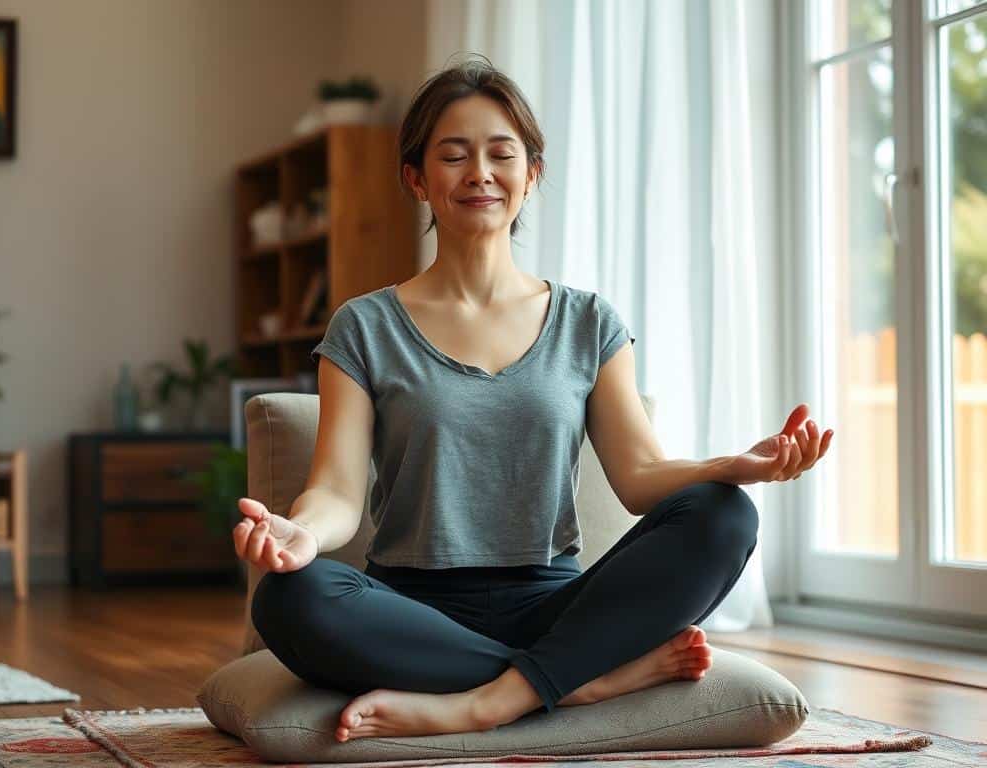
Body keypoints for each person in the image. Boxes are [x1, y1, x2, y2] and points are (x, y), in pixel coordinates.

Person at [234, 56, 833, 744]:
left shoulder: (588, 321)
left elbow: (641, 479)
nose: (479, 173)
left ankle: (486, 701)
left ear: (531, 174)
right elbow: (337, 492)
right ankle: (578, 681)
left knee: (724, 516)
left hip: (554, 602)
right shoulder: (364, 326)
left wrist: (737, 466)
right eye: (453, 155)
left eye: (501, 154)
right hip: (411, 611)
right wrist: (303, 533)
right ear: (417, 179)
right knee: (291, 597)